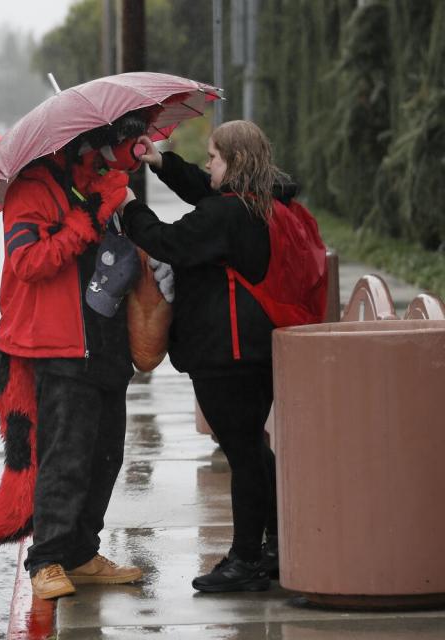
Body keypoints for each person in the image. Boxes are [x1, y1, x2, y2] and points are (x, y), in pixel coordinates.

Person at [0, 113, 155, 600]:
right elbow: (28, 262)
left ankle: (81, 552)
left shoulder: (99, 184)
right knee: (65, 457)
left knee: (106, 455)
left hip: (106, 340)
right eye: (100, 144)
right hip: (56, 344)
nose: (107, 151)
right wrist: (84, 221)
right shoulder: (31, 190)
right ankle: (47, 559)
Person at [119, 120, 291, 592]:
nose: (209, 164)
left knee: (244, 452)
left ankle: (245, 560)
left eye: (214, 156)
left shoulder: (226, 216)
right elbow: (206, 190)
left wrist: (130, 207)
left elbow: (170, 242)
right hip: (251, 348)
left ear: (233, 163)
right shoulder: (257, 202)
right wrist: (160, 162)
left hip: (226, 352)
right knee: (253, 446)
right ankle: (275, 547)